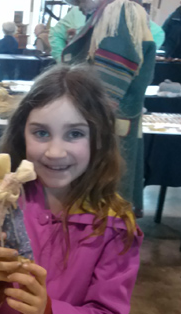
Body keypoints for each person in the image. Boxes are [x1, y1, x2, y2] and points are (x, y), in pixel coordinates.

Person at [0, 65, 142, 314]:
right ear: (21, 135)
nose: (55, 151)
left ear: (99, 139)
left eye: (74, 134)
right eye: (41, 132)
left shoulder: (115, 226)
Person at [62, 0, 155, 216]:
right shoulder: (113, 12)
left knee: (101, 206)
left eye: (78, 2)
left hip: (104, 124)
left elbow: (109, 81)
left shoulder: (119, 11)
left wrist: (80, 117)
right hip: (109, 121)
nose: (78, 7)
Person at [50, 3, 164, 61]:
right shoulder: (76, 12)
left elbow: (158, 34)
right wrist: (64, 61)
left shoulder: (123, 14)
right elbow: (56, 35)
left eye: (80, 1)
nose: (78, 5)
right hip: (80, 79)